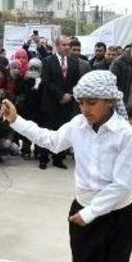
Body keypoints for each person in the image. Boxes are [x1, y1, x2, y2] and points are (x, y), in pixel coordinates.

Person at [1, 70, 132, 262]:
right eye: (81, 102)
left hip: (117, 215)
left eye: (92, 102)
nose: (85, 109)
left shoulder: (126, 135)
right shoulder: (77, 125)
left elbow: (121, 185)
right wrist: (17, 121)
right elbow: (51, 140)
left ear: (110, 101)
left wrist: (90, 214)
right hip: (82, 210)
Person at [39, 35, 81, 169]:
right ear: (57, 46)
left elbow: (76, 82)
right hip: (51, 102)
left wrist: (69, 95)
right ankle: (43, 158)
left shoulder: (74, 63)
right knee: (47, 131)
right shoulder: (47, 61)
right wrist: (61, 95)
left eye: (68, 45)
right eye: (64, 45)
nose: (67, 47)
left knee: (62, 132)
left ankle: (58, 158)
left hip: (67, 104)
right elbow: (46, 81)